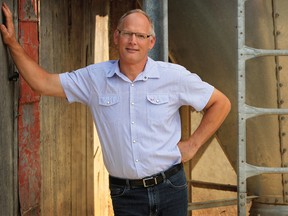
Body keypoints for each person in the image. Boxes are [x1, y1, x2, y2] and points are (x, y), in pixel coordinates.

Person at [1, 3, 231, 216]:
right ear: (116, 37)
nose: (133, 41)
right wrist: (12, 43)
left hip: (170, 186)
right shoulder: (95, 78)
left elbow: (221, 103)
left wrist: (193, 145)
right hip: (126, 194)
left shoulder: (173, 76)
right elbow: (42, 83)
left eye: (141, 36)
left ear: (151, 42)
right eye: (127, 34)